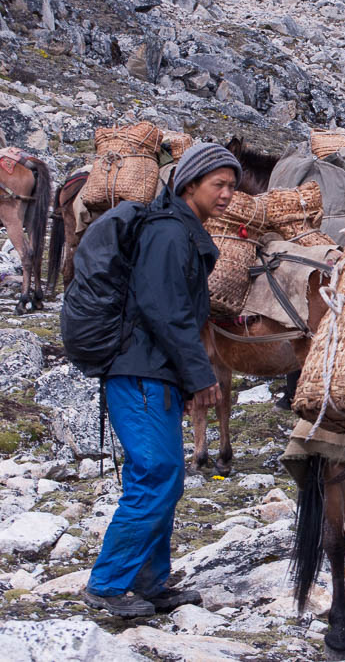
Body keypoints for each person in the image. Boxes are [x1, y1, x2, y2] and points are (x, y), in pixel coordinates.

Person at [84, 142, 242, 618]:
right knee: (156, 476)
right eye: (219, 184)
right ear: (190, 184)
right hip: (140, 373)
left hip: (155, 374)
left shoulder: (180, 229)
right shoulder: (170, 233)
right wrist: (201, 376)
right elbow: (164, 310)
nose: (228, 195)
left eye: (232, 186)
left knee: (164, 477)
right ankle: (107, 584)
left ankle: (150, 581)